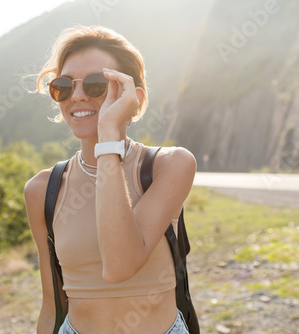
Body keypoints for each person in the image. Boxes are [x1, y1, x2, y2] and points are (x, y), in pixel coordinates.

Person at [24, 25, 196, 334]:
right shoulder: (42, 190)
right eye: (64, 85)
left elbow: (119, 265)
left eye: (96, 84)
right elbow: (51, 307)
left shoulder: (168, 166)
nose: (76, 96)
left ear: (134, 98)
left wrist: (108, 139)